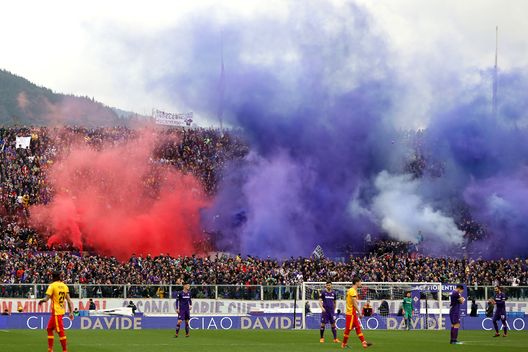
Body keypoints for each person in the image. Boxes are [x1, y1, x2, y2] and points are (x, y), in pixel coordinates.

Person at [38, 270, 74, 352]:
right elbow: (69, 301)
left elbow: (46, 299)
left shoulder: (52, 286)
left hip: (56, 312)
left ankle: (65, 350)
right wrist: (71, 312)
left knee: (60, 331)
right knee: (49, 329)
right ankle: (50, 349)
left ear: (53, 277)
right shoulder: (65, 286)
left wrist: (41, 301)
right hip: (60, 311)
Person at [341, 277, 372, 349]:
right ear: (356, 282)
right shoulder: (352, 291)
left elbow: (353, 301)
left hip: (353, 313)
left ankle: (364, 343)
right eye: (360, 282)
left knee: (358, 327)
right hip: (351, 313)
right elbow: (354, 303)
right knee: (348, 329)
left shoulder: (352, 290)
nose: (361, 283)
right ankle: (343, 344)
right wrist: (360, 312)